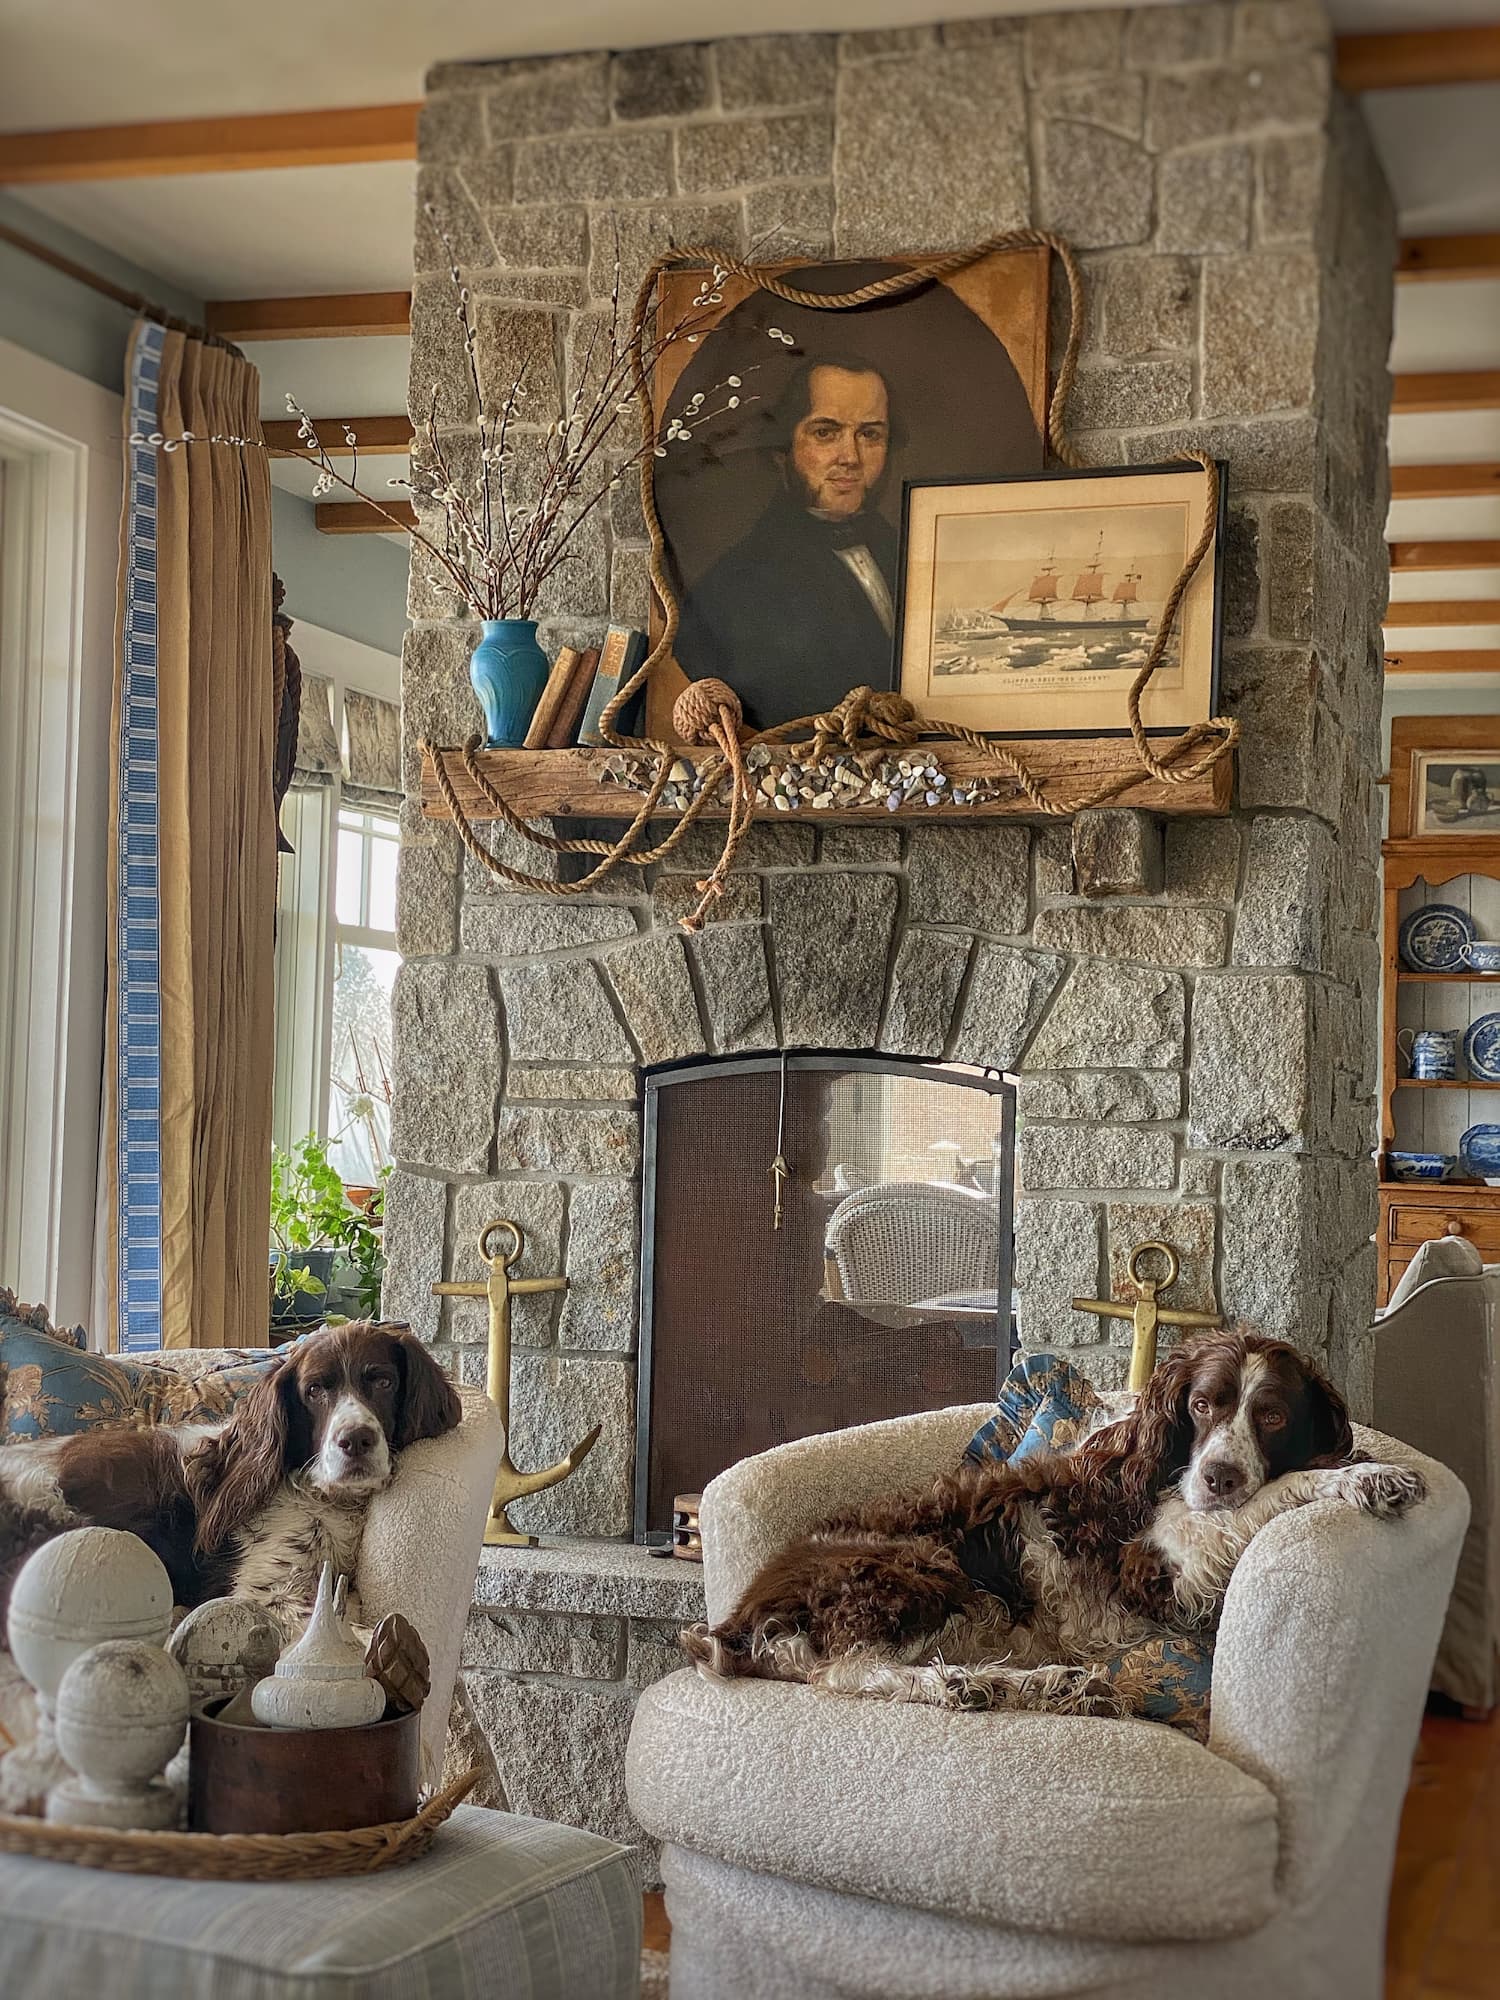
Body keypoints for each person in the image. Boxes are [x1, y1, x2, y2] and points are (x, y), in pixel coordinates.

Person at [676, 355, 901, 728]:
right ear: (784, 450)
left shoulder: (907, 550)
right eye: (826, 433)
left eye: (870, 434)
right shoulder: (732, 588)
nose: (851, 457)